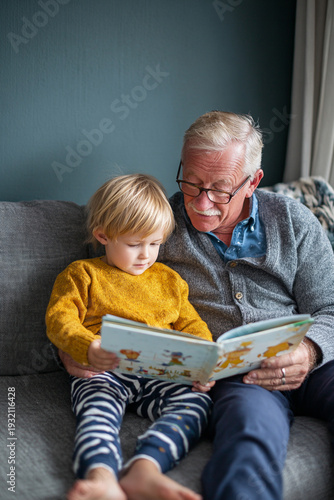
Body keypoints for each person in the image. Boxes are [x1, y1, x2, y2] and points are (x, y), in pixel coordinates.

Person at [60, 111, 334, 500]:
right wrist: (70, 347)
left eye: (220, 189)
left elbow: (330, 305)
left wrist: (309, 350)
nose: (201, 203)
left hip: (316, 358)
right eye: (191, 182)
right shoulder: (154, 222)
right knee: (247, 438)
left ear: (252, 181)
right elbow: (94, 285)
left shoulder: (292, 221)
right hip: (241, 377)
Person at [46, 174, 214, 500]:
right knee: (97, 412)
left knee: (198, 403)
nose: (146, 255)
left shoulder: (169, 280)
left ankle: (146, 469)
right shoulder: (83, 274)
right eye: (135, 244)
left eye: (155, 244)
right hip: (105, 369)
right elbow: (60, 319)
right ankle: (101, 476)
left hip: (161, 373)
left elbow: (192, 324)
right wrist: (87, 347)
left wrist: (204, 358)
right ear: (103, 235)